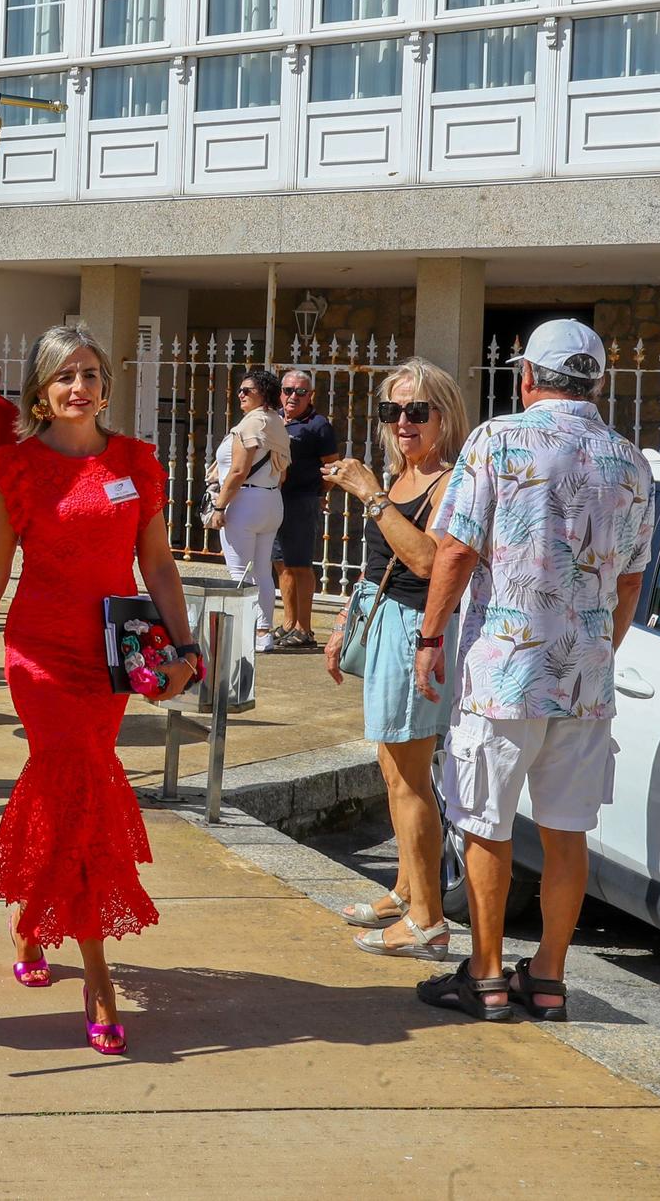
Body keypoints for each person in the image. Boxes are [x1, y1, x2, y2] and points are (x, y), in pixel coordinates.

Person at [0, 325, 199, 1055]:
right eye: (64, 377)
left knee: (64, 794)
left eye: (90, 373)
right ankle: (97, 976)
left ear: (105, 387)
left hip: (110, 659)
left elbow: (159, 566)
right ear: (42, 394)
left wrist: (184, 646)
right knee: (79, 787)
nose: (79, 386)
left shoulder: (136, 462)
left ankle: (31, 924)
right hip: (39, 656)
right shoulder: (17, 466)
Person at [413, 320, 653, 1023]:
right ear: (597, 380)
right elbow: (631, 584)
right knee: (566, 830)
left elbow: (455, 550)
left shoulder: (498, 439)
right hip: (585, 677)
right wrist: (594, 648)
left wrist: (431, 636)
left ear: (527, 377)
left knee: (486, 822)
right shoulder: (631, 461)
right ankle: (547, 976)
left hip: (505, 669)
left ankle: (486, 975)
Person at [321, 359, 469, 962]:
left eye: (416, 411)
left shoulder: (447, 480)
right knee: (392, 772)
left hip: (418, 634)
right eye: (392, 411)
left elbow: (429, 562)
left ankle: (429, 921)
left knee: (410, 782)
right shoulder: (402, 477)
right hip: (384, 624)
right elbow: (376, 562)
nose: (402, 422)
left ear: (444, 415)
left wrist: (371, 495)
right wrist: (342, 624)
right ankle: (407, 889)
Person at [205, 366, 290, 652]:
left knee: (239, 573)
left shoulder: (251, 424)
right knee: (263, 571)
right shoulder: (276, 422)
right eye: (240, 390)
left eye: (247, 390)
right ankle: (263, 633)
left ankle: (244, 632)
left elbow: (239, 470)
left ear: (263, 394)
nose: (240, 394)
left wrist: (219, 506)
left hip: (245, 502)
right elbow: (283, 473)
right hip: (270, 500)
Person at [272, 369, 341, 650]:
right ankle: (289, 624)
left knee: (300, 565)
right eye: (288, 390)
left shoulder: (319, 425)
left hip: (301, 500)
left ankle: (305, 628)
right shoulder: (273, 419)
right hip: (274, 500)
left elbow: (332, 466)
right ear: (281, 392)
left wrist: (318, 494)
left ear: (310, 396)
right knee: (281, 564)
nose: (293, 397)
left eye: (301, 392)